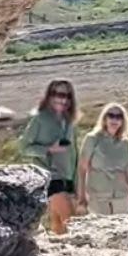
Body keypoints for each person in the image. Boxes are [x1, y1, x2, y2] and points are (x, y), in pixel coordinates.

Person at [19, 79, 80, 234]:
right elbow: (24, 148)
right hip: (49, 176)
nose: (63, 99)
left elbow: (74, 153)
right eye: (58, 94)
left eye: (67, 95)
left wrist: (78, 181)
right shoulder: (39, 119)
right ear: (50, 96)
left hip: (67, 177)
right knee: (72, 221)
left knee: (58, 223)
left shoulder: (69, 121)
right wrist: (48, 149)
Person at [77, 103, 128, 216]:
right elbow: (82, 169)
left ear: (123, 121)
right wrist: (82, 198)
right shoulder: (92, 139)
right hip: (98, 197)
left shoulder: (126, 143)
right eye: (111, 115)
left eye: (119, 117)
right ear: (104, 118)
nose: (115, 120)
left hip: (121, 197)